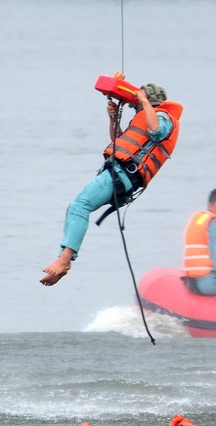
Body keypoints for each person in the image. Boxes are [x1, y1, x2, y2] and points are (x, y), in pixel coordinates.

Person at [41, 83, 183, 286]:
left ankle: (64, 260)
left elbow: (158, 131)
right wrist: (114, 118)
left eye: (138, 104)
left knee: (79, 206)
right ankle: (64, 259)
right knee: (77, 207)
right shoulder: (146, 117)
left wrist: (143, 101)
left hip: (122, 175)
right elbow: (119, 141)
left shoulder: (164, 117)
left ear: (149, 101)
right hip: (120, 175)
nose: (137, 109)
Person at [182, 188, 216, 298]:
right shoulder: (214, 224)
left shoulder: (199, 219)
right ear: (210, 205)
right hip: (208, 284)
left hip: (192, 281)